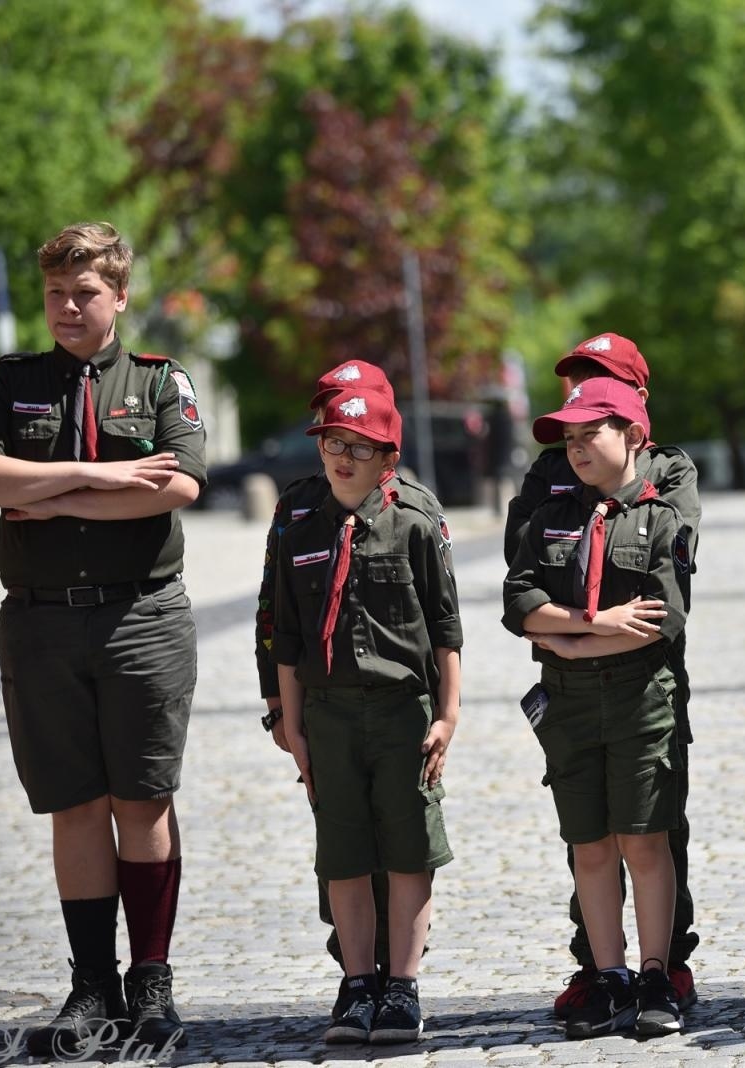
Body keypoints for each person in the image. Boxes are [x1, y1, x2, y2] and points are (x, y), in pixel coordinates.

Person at [0, 222, 206, 1054]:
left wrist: (45, 497)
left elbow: (180, 485)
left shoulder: (160, 381)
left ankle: (152, 980)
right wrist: (94, 477)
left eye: (84, 292)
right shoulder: (16, 380)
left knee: (144, 799)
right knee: (75, 806)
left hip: (142, 617)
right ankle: (92, 985)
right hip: (42, 620)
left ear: (120, 296)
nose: (66, 306)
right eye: (55, 292)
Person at [502, 333, 702, 1018]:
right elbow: (521, 583)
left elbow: (660, 601)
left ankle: (662, 968)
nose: (576, 418)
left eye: (596, 386)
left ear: (634, 409)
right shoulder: (549, 480)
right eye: (573, 386)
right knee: (588, 838)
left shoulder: (666, 478)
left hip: (644, 685)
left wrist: (574, 630)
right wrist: (589, 630)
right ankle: (603, 969)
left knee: (650, 831)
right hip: (569, 688)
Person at [273, 389, 461, 1045]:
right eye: (332, 443)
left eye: (359, 447)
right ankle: (357, 987)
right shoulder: (299, 526)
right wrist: (292, 726)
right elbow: (288, 639)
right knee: (344, 853)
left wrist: (449, 712)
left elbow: (445, 624)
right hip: (326, 714)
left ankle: (403, 986)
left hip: (402, 709)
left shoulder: (412, 520)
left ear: (387, 456)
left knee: (410, 849)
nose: (343, 458)